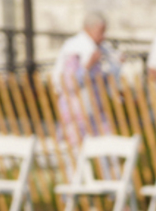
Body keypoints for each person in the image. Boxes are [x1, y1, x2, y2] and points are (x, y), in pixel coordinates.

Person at [52, 12, 122, 147]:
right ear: (89, 29)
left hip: (95, 110)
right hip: (76, 112)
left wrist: (116, 64)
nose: (103, 37)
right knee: (75, 153)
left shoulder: (100, 48)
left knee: (107, 147)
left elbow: (103, 80)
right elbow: (69, 83)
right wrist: (88, 65)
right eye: (101, 31)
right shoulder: (74, 48)